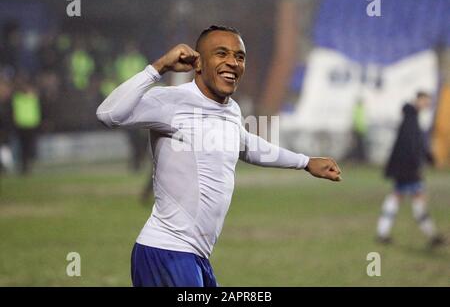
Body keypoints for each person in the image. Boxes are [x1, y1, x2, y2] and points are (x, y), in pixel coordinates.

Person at [96, 25, 342, 287]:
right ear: (198, 63)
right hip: (167, 252)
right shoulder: (171, 102)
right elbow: (108, 114)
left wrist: (305, 162)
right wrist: (158, 67)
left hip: (196, 257)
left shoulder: (231, 110)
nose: (232, 62)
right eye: (221, 53)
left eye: (239, 56)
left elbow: (246, 144)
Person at [376, 92, 444, 247]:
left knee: (397, 197)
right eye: (425, 101)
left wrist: (429, 158)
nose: (427, 104)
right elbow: (413, 146)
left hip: (404, 168)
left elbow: (417, 145)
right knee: (417, 199)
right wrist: (422, 163)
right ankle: (432, 235)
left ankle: (382, 232)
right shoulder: (411, 118)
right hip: (409, 169)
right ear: (418, 100)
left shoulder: (411, 117)